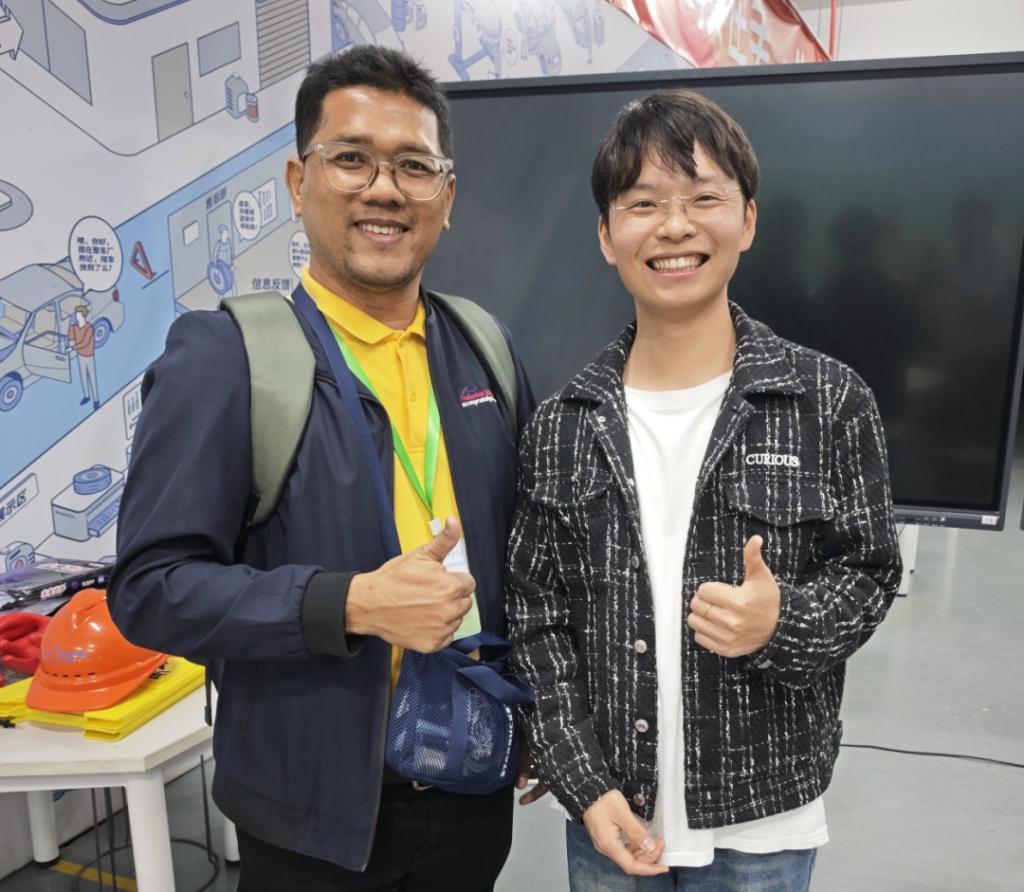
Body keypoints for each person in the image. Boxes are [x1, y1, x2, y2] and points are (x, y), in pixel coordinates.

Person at [109, 46, 535, 891]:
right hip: (314, 819)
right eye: (352, 159)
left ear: (446, 197)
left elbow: (529, 561)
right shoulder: (227, 358)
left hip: (471, 792)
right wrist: (350, 603)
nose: (385, 189)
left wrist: (542, 714)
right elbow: (150, 588)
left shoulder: (483, 347)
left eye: (414, 166)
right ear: (299, 183)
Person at [507, 90, 902, 891]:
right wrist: (580, 779)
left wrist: (783, 622)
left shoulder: (828, 400)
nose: (675, 227)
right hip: (612, 815)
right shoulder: (562, 424)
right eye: (644, 203)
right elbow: (534, 615)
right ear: (606, 235)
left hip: (764, 820)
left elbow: (869, 572)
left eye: (703, 199)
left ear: (747, 220)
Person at [67, 303, 99, 410]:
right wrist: (71, 325)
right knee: (83, 376)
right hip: (80, 355)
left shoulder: (89, 328)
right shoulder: (75, 327)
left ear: (83, 315)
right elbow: (71, 337)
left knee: (92, 377)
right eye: (76, 314)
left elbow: (85, 343)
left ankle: (96, 400)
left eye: (78, 314)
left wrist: (73, 348)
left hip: (88, 355)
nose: (76, 316)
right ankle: (86, 396)